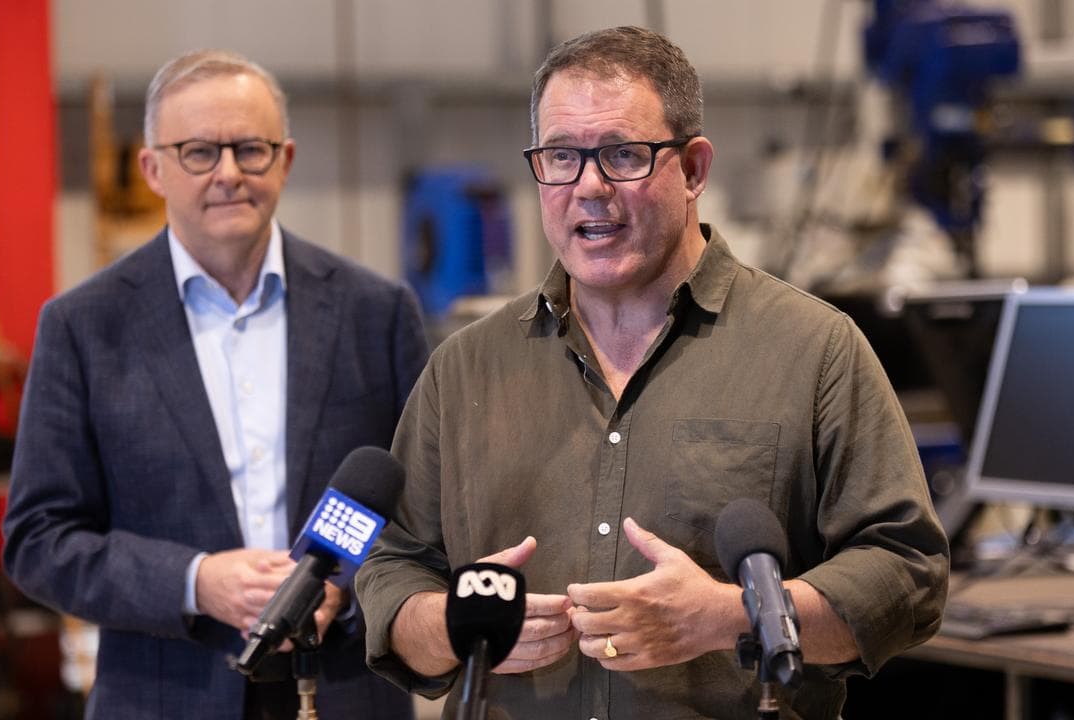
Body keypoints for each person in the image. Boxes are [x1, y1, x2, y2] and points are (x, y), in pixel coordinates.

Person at [354, 26, 949, 719]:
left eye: (624, 156)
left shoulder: (815, 351)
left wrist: (732, 616)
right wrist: (456, 630)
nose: (590, 188)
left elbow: (907, 572)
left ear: (693, 170)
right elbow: (392, 570)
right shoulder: (465, 370)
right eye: (561, 157)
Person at [2, 49, 426, 719]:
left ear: (284, 160)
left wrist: (342, 587)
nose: (228, 174)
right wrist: (196, 582)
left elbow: (423, 511)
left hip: (344, 689)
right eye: (199, 151)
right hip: (164, 695)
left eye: (249, 149)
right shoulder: (84, 327)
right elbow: (39, 541)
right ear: (153, 170)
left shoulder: (375, 313)